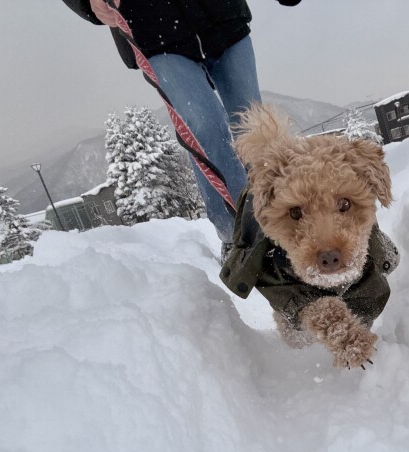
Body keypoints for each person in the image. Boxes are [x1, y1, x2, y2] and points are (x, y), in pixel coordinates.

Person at [61, 0, 302, 259]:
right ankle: (238, 237)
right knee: (206, 132)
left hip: (224, 17)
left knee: (255, 128)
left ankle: (286, 219)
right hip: (154, 32)